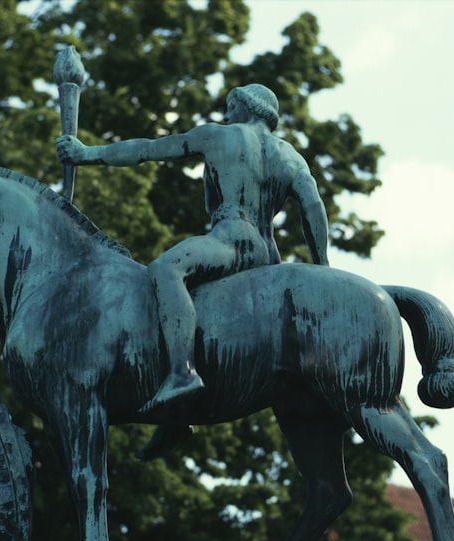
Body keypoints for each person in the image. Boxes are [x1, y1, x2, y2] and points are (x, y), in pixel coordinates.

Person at [57, 84, 330, 418]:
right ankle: (175, 418)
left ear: (248, 107)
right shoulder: (292, 157)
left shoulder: (218, 136)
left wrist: (87, 154)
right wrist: (322, 266)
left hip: (232, 239)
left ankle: (181, 372)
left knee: (166, 268)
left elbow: (148, 149)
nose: (227, 114)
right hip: (267, 255)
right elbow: (314, 207)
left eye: (232, 106)